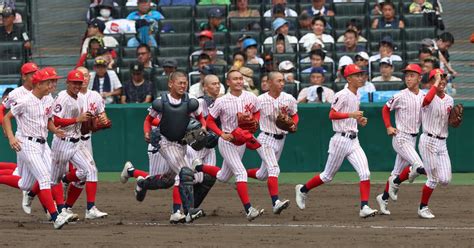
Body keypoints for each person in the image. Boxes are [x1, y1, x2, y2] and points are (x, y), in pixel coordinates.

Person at [295, 64, 378, 218]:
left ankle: (364, 206)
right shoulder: (342, 94)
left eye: (361, 75)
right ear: (348, 78)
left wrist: (359, 120)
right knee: (327, 176)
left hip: (354, 140)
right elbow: (332, 115)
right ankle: (302, 190)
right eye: (357, 75)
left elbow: (351, 116)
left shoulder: (357, 94)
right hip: (340, 140)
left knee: (365, 173)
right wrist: (351, 115)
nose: (360, 77)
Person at [1, 69, 73, 229]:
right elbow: (7, 117)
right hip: (26, 143)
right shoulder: (25, 100)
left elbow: (47, 120)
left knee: (26, 183)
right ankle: (56, 217)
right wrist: (11, 137)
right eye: (48, 82)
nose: (51, 85)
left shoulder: (48, 99)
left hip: (42, 143)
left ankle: (30, 194)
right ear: (38, 84)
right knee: (45, 177)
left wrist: (55, 130)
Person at [193, 69, 265, 221]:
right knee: (241, 173)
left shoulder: (251, 97)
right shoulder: (221, 101)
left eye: (240, 78)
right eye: (235, 79)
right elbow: (210, 121)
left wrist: (256, 120)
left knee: (223, 176)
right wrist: (221, 134)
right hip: (227, 141)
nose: (239, 81)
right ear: (228, 82)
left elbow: (257, 111)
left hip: (242, 141)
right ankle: (249, 210)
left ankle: (198, 166)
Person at [140, 71, 208, 222]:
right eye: (180, 83)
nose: (183, 85)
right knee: (185, 173)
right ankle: (189, 210)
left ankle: (142, 183)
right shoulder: (161, 101)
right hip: (165, 142)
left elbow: (201, 119)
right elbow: (147, 120)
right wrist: (146, 133)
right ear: (171, 84)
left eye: (185, 83)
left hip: (182, 143)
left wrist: (203, 128)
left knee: (167, 181)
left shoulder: (191, 101)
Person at [50, 69, 108, 220]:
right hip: (62, 143)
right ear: (67, 83)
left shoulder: (81, 99)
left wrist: (99, 125)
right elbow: (55, 120)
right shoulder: (62, 97)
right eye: (74, 83)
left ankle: (90, 209)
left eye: (79, 83)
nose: (77, 85)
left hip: (77, 143)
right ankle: (60, 209)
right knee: (54, 179)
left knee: (91, 170)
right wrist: (77, 120)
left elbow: (84, 127)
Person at [376, 64, 427, 215]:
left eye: (412, 75)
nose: (408, 78)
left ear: (419, 78)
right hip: (401, 137)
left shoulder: (424, 96)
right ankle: (396, 183)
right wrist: (388, 126)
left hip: (413, 138)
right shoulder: (400, 95)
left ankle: (383, 198)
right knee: (418, 165)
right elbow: (385, 109)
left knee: (396, 172)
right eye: (406, 75)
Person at [246, 71, 298, 214]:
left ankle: (240, 174)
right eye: (278, 81)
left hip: (281, 139)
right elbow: (251, 117)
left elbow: (294, 115)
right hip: (265, 139)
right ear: (269, 83)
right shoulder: (260, 100)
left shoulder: (289, 98)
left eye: (283, 81)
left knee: (262, 175)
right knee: (274, 169)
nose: (282, 83)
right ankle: (276, 202)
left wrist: (294, 124)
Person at [416, 68, 454, 219]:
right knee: (433, 179)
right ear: (432, 82)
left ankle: (418, 169)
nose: (442, 80)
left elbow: (448, 120)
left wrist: (454, 121)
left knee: (445, 180)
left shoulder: (450, 99)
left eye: (443, 77)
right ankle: (422, 207)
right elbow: (426, 102)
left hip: (442, 142)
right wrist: (436, 83)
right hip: (428, 141)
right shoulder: (425, 96)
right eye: (438, 78)